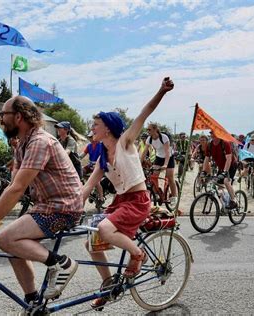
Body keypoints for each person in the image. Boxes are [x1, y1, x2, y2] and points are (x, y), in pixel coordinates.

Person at [0, 96, 83, 307]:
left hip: (64, 208)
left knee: (5, 239)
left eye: (3, 115)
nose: (0, 120)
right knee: (12, 246)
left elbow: (18, 188)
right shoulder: (22, 145)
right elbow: (12, 186)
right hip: (46, 206)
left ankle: (61, 263)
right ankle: (33, 301)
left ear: (18, 117)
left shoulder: (39, 142)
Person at [82, 77, 174, 310]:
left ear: (107, 128)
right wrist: (71, 206)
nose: (92, 128)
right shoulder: (102, 156)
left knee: (104, 229)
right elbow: (88, 187)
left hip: (138, 201)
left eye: (95, 125)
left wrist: (161, 91)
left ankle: (137, 253)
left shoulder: (125, 141)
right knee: (91, 242)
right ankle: (108, 285)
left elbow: (145, 112)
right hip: (120, 202)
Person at [141, 123, 178, 207]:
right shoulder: (149, 139)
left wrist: (165, 165)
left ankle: (174, 196)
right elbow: (144, 152)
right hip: (159, 157)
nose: (148, 131)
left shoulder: (164, 137)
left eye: (149, 129)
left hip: (169, 157)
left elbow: (167, 152)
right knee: (153, 176)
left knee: (170, 177)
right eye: (147, 129)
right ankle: (157, 193)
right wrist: (139, 163)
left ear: (155, 130)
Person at [202, 130, 238, 209]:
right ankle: (224, 205)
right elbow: (206, 159)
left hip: (231, 165)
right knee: (217, 185)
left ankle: (234, 200)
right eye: (211, 133)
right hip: (221, 167)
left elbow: (229, 159)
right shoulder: (210, 145)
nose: (213, 135)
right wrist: (204, 171)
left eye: (215, 133)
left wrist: (225, 172)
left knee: (226, 181)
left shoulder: (225, 143)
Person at [80, 131, 103, 201]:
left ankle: (101, 197)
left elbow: (104, 157)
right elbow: (82, 154)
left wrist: (97, 163)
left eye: (91, 137)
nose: (89, 138)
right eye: (89, 137)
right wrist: (76, 157)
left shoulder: (101, 145)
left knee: (96, 181)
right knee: (81, 171)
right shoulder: (89, 146)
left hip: (98, 166)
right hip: (90, 165)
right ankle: (90, 186)